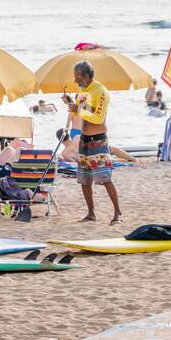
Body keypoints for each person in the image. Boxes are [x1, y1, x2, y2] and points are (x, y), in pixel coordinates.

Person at [62, 60, 122, 224]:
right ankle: (91, 213)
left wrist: (78, 109)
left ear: (87, 76)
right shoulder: (81, 91)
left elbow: (98, 117)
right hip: (84, 139)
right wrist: (72, 104)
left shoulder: (100, 90)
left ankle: (117, 213)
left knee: (105, 178)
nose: (75, 80)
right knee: (84, 180)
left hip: (98, 140)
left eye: (77, 77)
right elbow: (85, 112)